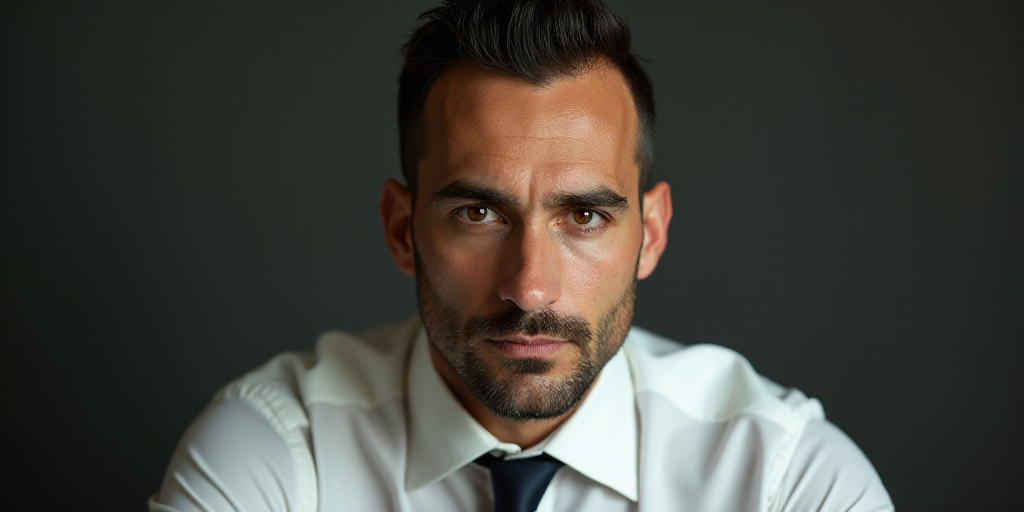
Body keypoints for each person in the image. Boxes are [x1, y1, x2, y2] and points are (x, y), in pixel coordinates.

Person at [151, 1, 893, 511]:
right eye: (478, 213)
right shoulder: (278, 455)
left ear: (651, 233)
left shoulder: (786, 480)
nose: (530, 288)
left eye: (585, 216)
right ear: (402, 229)